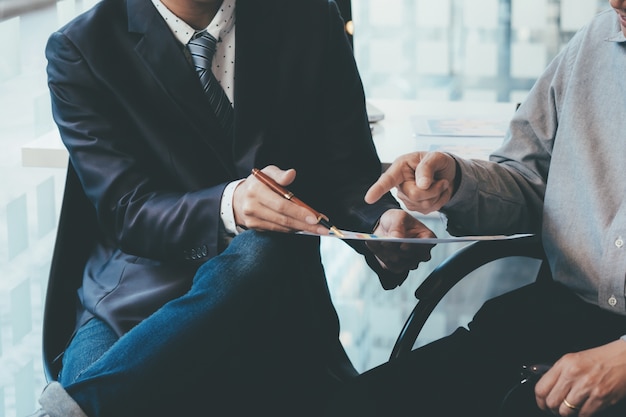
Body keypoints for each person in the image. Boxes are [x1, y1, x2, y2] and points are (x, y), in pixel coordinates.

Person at [29, 0, 437, 416]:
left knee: (266, 248)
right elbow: (128, 210)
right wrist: (233, 205)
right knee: (91, 385)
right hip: (137, 301)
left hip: (272, 296)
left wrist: (379, 223)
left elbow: (346, 169)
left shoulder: (309, 18)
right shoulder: (82, 47)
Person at [326, 2, 626, 416]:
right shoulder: (593, 45)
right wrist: (458, 183)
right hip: (556, 318)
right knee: (355, 407)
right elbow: (528, 182)